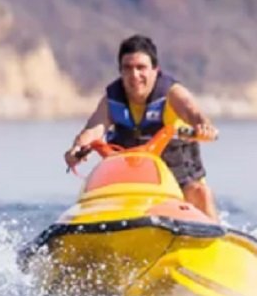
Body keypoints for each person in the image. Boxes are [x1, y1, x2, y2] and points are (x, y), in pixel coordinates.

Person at [64, 34, 220, 221]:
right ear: (120, 71)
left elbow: (192, 112)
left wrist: (204, 128)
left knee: (201, 193)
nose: (134, 75)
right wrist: (76, 149)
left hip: (179, 181)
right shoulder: (111, 100)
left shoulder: (172, 94)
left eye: (141, 68)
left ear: (155, 69)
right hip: (133, 184)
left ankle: (217, 237)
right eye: (127, 68)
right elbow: (93, 129)